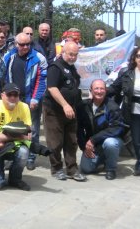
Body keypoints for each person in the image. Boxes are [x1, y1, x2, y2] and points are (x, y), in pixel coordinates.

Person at [0, 32, 48, 171]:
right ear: (16, 44)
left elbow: (42, 80)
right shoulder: (9, 56)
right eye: (22, 44)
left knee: (33, 130)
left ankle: (30, 158)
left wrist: (36, 98)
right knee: (10, 128)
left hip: (30, 99)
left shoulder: (38, 58)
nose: (25, 47)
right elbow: (1, 73)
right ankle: (11, 156)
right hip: (12, 98)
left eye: (27, 44)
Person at [42, 41, 87, 182]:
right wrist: (65, 105)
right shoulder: (56, 67)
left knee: (71, 141)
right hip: (54, 110)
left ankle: (72, 169)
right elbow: (52, 88)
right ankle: (56, 169)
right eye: (70, 54)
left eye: (75, 55)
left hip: (70, 110)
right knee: (55, 142)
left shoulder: (72, 68)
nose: (73, 57)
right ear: (63, 53)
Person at [0, 83, 32, 191]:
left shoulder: (24, 107)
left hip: (12, 145)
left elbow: (28, 134)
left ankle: (15, 179)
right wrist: (18, 137)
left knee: (24, 151)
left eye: (16, 95)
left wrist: (7, 138)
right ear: (2, 95)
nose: (13, 98)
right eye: (10, 95)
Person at [108, 46, 140, 179]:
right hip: (133, 112)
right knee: (137, 141)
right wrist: (99, 92)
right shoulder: (127, 73)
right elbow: (114, 88)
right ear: (134, 58)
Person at [77, 79, 126, 180]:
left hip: (112, 140)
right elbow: (79, 129)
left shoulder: (112, 106)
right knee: (86, 169)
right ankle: (103, 158)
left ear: (106, 90)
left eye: (102, 89)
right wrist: (84, 147)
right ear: (91, 90)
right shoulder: (83, 106)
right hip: (93, 143)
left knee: (110, 143)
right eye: (96, 88)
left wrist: (92, 140)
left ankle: (110, 169)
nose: (99, 91)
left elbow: (117, 128)